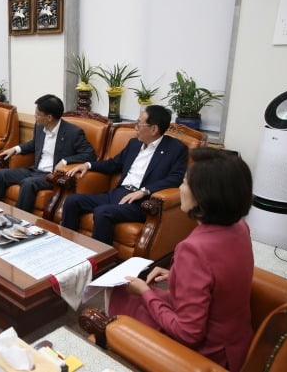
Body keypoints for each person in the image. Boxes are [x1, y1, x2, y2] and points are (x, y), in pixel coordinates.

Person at [108, 148, 254, 372]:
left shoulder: (193, 250)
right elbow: (219, 275)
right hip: (236, 342)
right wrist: (175, 275)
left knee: (121, 293)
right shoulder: (240, 227)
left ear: (203, 195)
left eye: (185, 183)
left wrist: (144, 292)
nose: (179, 189)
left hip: (207, 352)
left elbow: (188, 334)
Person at [61, 105, 187, 244]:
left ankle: (102, 260)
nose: (135, 128)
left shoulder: (176, 149)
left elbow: (175, 179)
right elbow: (114, 164)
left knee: (103, 212)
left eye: (139, 124)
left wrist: (144, 191)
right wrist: (88, 165)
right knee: (72, 201)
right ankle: (67, 246)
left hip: (140, 203)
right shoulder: (134, 144)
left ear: (154, 129)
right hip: (118, 194)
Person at [0, 94, 95, 212]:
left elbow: (90, 154)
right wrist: (16, 149)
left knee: (28, 183)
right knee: (0, 175)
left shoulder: (73, 132)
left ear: (49, 117)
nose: (35, 116)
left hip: (51, 175)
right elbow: (34, 144)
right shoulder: (39, 127)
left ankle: (19, 221)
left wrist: (65, 161)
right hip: (34, 170)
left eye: (38, 114)